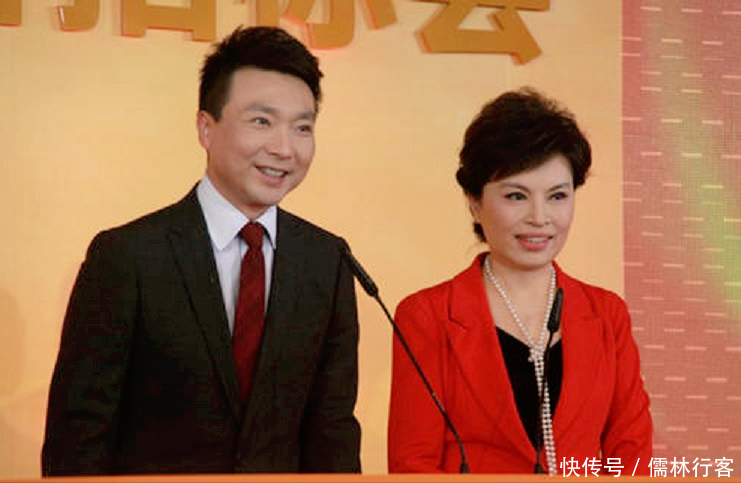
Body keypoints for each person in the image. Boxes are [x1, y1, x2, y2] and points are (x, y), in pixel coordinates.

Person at [42, 26, 361, 475]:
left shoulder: (327, 260)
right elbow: (79, 436)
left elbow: (333, 432)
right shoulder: (127, 257)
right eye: (261, 121)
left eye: (302, 127)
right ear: (206, 128)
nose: (284, 148)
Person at [388, 88, 652, 474]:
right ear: (474, 202)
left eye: (557, 196)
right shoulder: (427, 316)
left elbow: (632, 455)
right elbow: (413, 465)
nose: (539, 217)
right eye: (516, 196)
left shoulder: (608, 315)